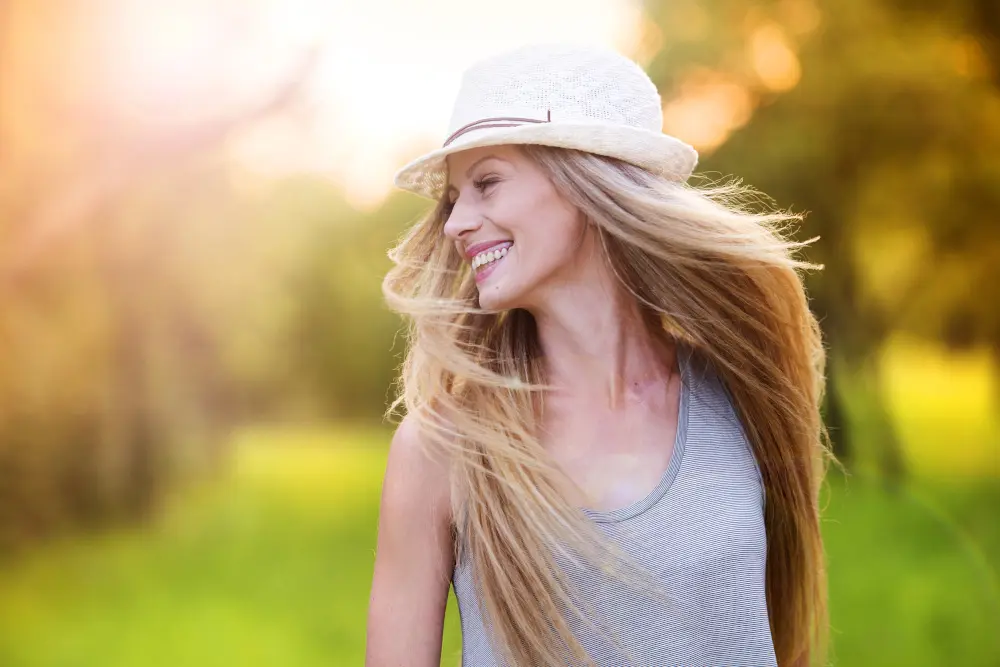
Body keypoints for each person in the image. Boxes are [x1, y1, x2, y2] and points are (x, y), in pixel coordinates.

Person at [366, 43, 833, 667]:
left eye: (487, 183)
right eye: (454, 200)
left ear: (585, 183)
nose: (456, 224)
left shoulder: (742, 393)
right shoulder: (441, 449)